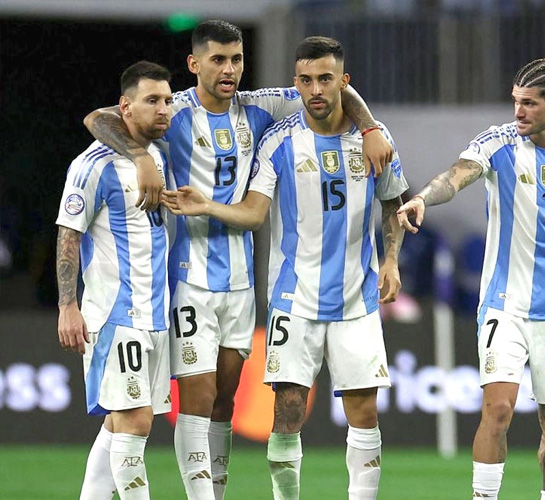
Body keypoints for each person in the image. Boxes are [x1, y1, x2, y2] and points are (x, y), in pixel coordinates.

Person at [82, 20, 394, 500]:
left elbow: (331, 90)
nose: (229, 70)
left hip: (241, 279)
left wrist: (369, 128)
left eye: (237, 60)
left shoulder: (259, 105)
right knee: (197, 399)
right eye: (218, 60)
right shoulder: (174, 110)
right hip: (188, 276)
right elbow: (99, 118)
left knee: (224, 402)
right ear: (194, 64)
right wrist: (142, 157)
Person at [163, 36, 407, 500]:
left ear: (344, 81)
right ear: (295, 84)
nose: (316, 89)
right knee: (288, 412)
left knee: (364, 412)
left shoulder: (374, 139)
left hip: (358, 297)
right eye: (307, 80)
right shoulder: (278, 140)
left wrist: (392, 259)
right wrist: (206, 205)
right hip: (294, 298)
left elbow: (393, 201)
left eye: (326, 79)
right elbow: (254, 212)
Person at [396, 58, 545, 500]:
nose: (518, 111)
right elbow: (457, 174)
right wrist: (423, 198)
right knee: (497, 409)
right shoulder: (498, 143)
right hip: (506, 304)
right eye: (516, 100)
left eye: (529, 103)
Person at [57, 61, 173, 500]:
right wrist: (68, 305)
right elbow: (69, 235)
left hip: (154, 312)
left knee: (120, 422)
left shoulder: (157, 156)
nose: (163, 109)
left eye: (167, 100)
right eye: (152, 100)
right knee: (134, 421)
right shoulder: (92, 165)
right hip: (115, 313)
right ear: (124, 107)